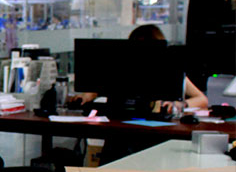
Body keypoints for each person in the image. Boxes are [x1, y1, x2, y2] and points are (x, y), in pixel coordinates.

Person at [70, 24, 209, 112]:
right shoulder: (120, 68)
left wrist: (180, 105)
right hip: (120, 126)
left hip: (154, 130)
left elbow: (201, 99)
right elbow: (97, 90)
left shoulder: (169, 71)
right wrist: (86, 96)